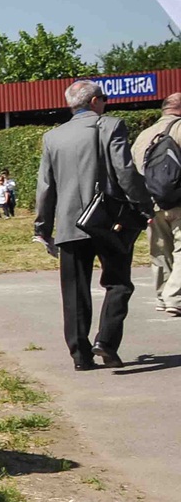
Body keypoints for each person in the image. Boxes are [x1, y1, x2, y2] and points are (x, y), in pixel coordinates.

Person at [33, 80, 152, 370]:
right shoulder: (111, 126)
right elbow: (125, 171)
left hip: (70, 223)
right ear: (96, 100)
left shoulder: (53, 137)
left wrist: (43, 226)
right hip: (108, 221)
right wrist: (144, 205)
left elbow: (45, 186)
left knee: (74, 291)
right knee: (119, 283)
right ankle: (106, 342)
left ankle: (80, 356)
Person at [132, 91, 181, 315]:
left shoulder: (144, 135)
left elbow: (133, 169)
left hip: (152, 201)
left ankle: (162, 296)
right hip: (178, 201)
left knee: (160, 251)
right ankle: (175, 297)